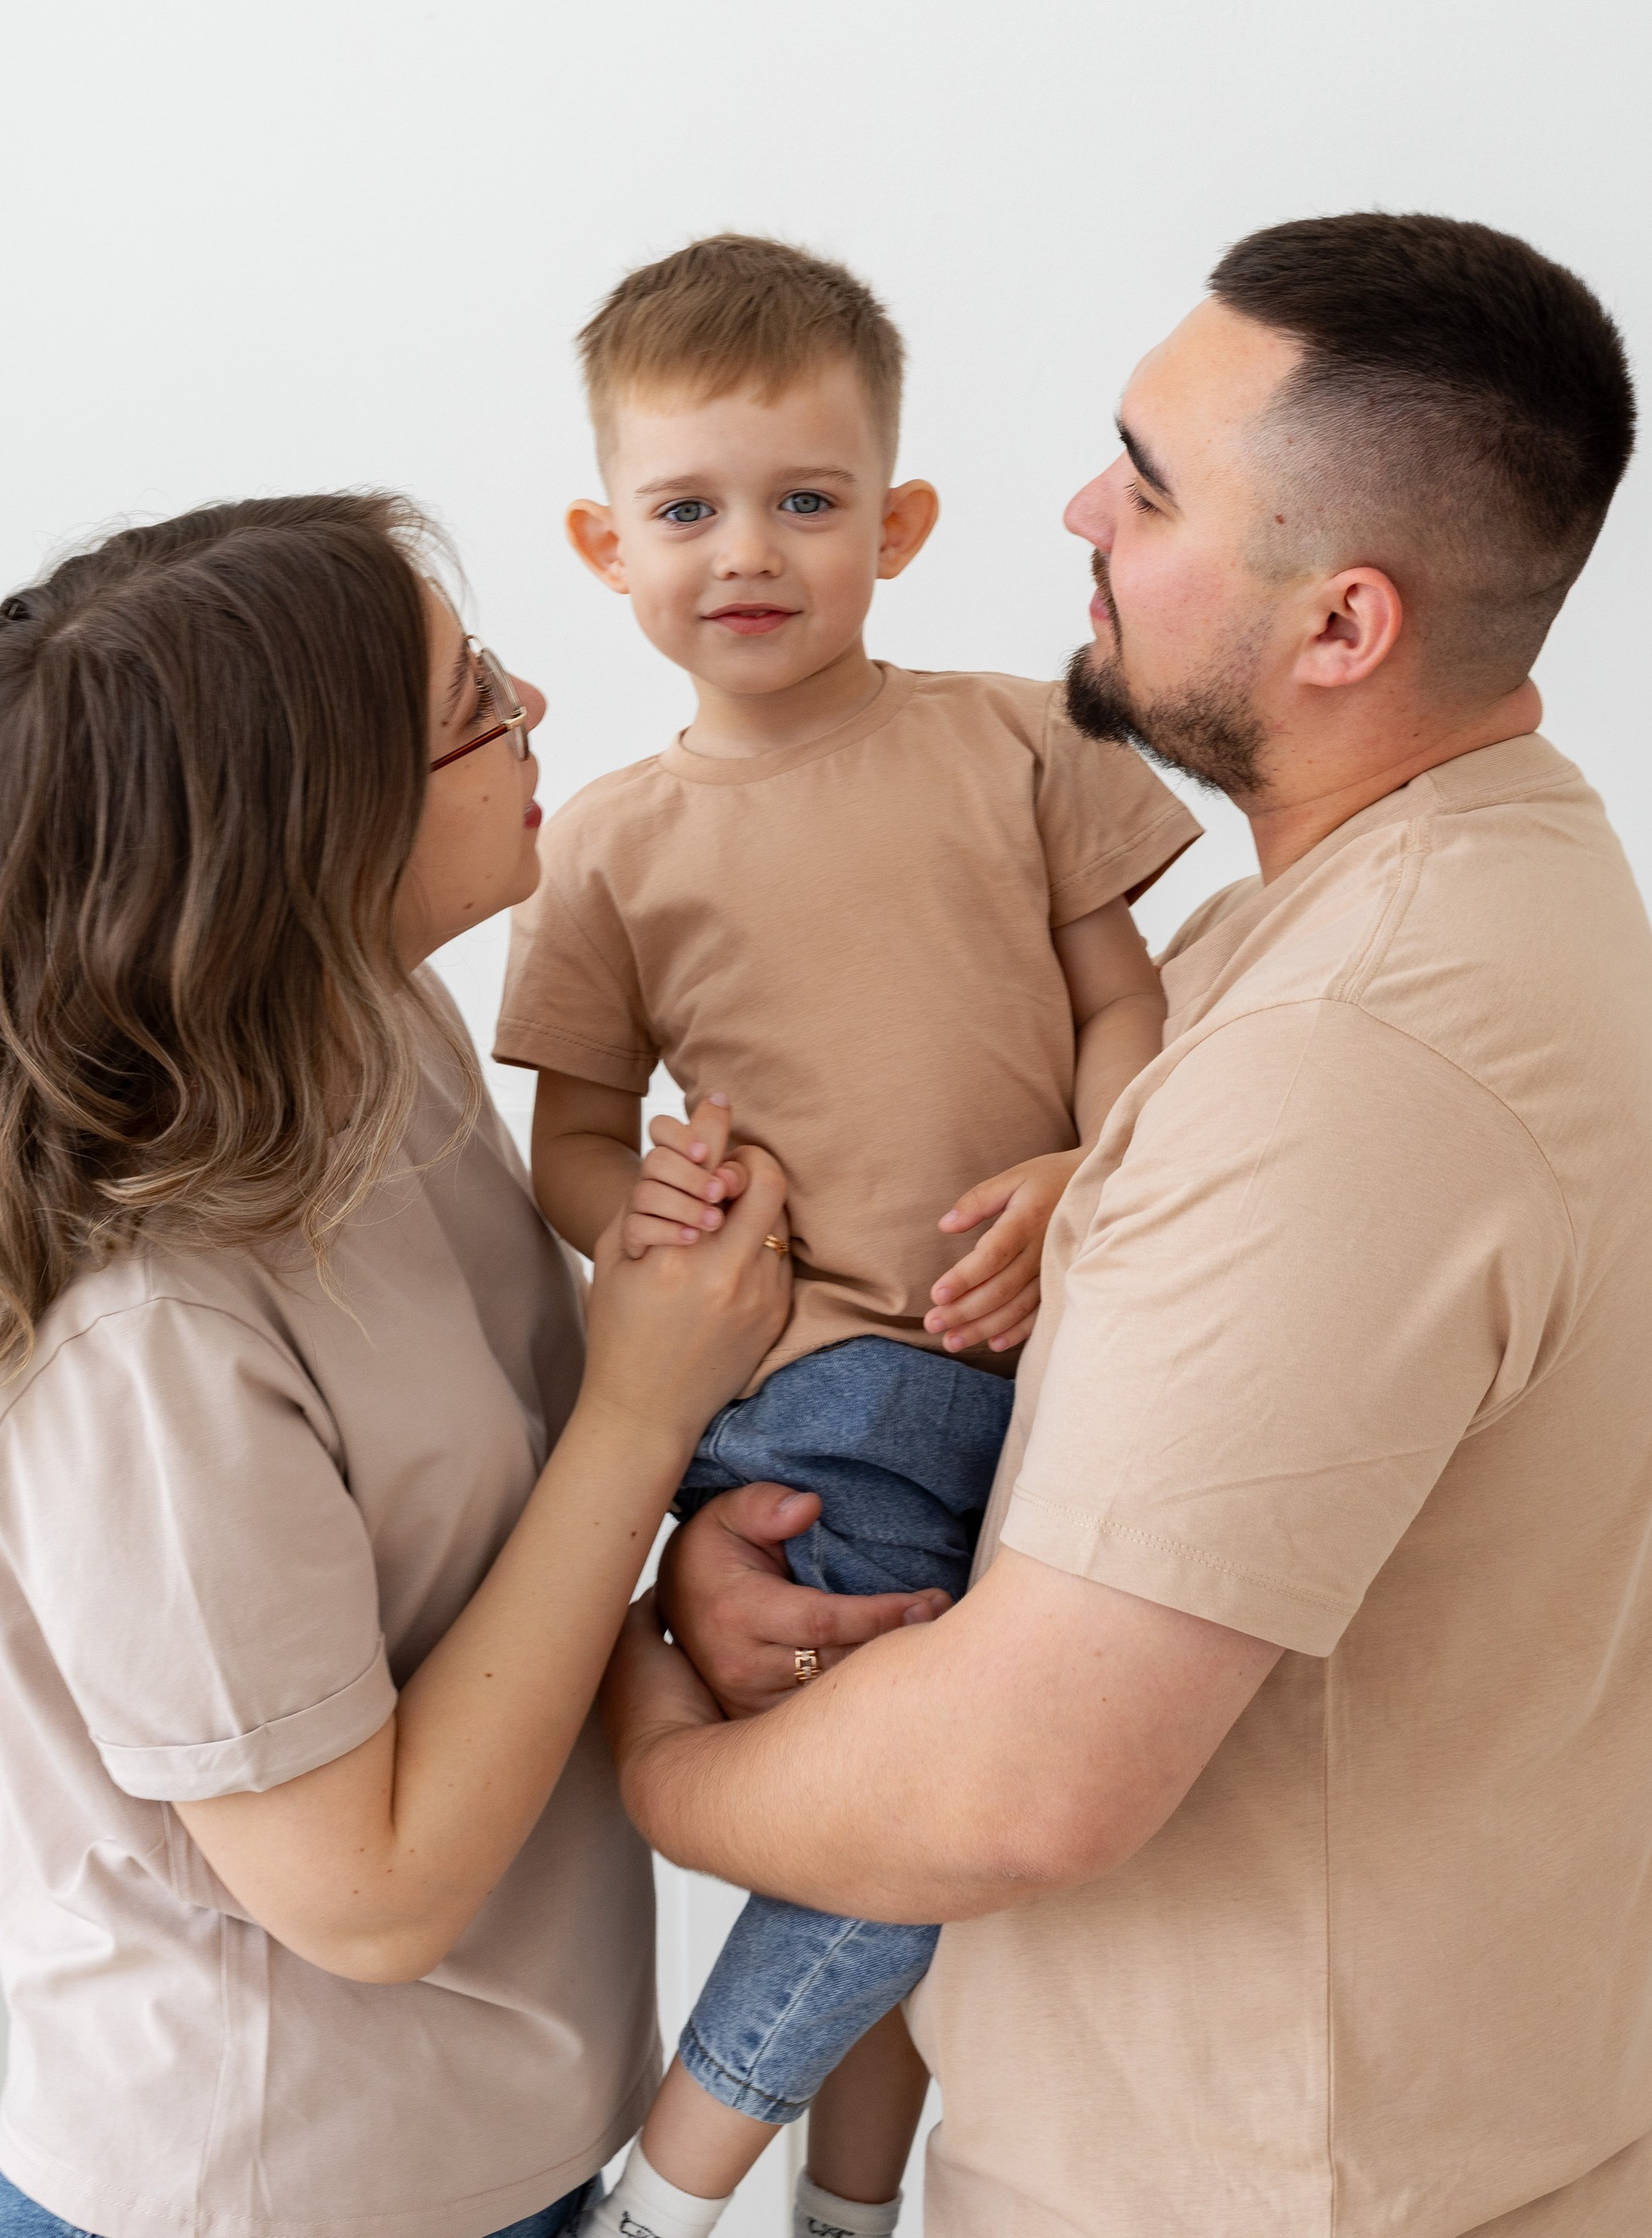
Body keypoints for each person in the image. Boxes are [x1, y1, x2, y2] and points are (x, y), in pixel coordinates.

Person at [608, 213, 1652, 2238]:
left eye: (1143, 489)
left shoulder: (1350, 1051)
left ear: (1341, 627)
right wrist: (771, 1561)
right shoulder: (1362, 911)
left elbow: (1016, 1780)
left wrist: (651, 1749)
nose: (1077, 514)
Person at [0, 492, 793, 2238]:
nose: (531, 708)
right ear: (321, 831)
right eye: (473, 700)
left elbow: (466, 1567)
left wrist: (674, 1575)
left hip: (494, 2153)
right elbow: (365, 1898)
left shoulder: (364, 1030)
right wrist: (645, 1411)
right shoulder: (145, 1338)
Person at [492, 236, 1199, 2238]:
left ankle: (850, 2206)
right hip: (822, 1395)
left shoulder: (1022, 740)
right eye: (685, 511)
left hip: (1049, 1374)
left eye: (806, 502)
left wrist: (1080, 1174)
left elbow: (1123, 1003)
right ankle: (667, 2195)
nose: (748, 552)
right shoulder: (606, 845)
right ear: (603, 544)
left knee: (936, 1844)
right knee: (911, 1820)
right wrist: (636, 1206)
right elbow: (567, 1145)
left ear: (895, 525)